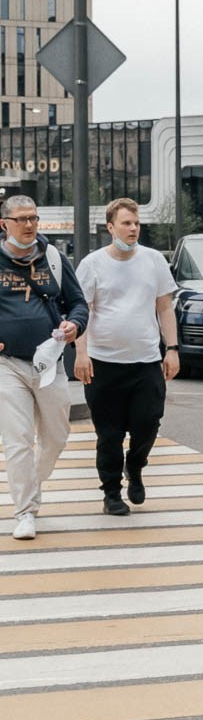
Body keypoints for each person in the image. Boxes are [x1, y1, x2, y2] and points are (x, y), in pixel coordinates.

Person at [73, 198, 180, 516]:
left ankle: (135, 466)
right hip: (103, 363)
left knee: (148, 424)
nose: (133, 229)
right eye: (126, 223)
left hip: (146, 361)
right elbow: (83, 312)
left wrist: (171, 350)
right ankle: (111, 493)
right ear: (110, 227)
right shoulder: (92, 264)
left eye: (136, 224)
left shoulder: (153, 261)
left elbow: (164, 307)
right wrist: (81, 355)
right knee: (109, 434)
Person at [0, 192, 88, 540]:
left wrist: (74, 325)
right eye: (21, 219)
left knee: (56, 436)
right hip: (7, 365)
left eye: (33, 218)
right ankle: (25, 511)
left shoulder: (52, 256)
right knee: (18, 439)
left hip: (50, 362)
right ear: (4, 223)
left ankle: (33, 484)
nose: (29, 225)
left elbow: (78, 302)